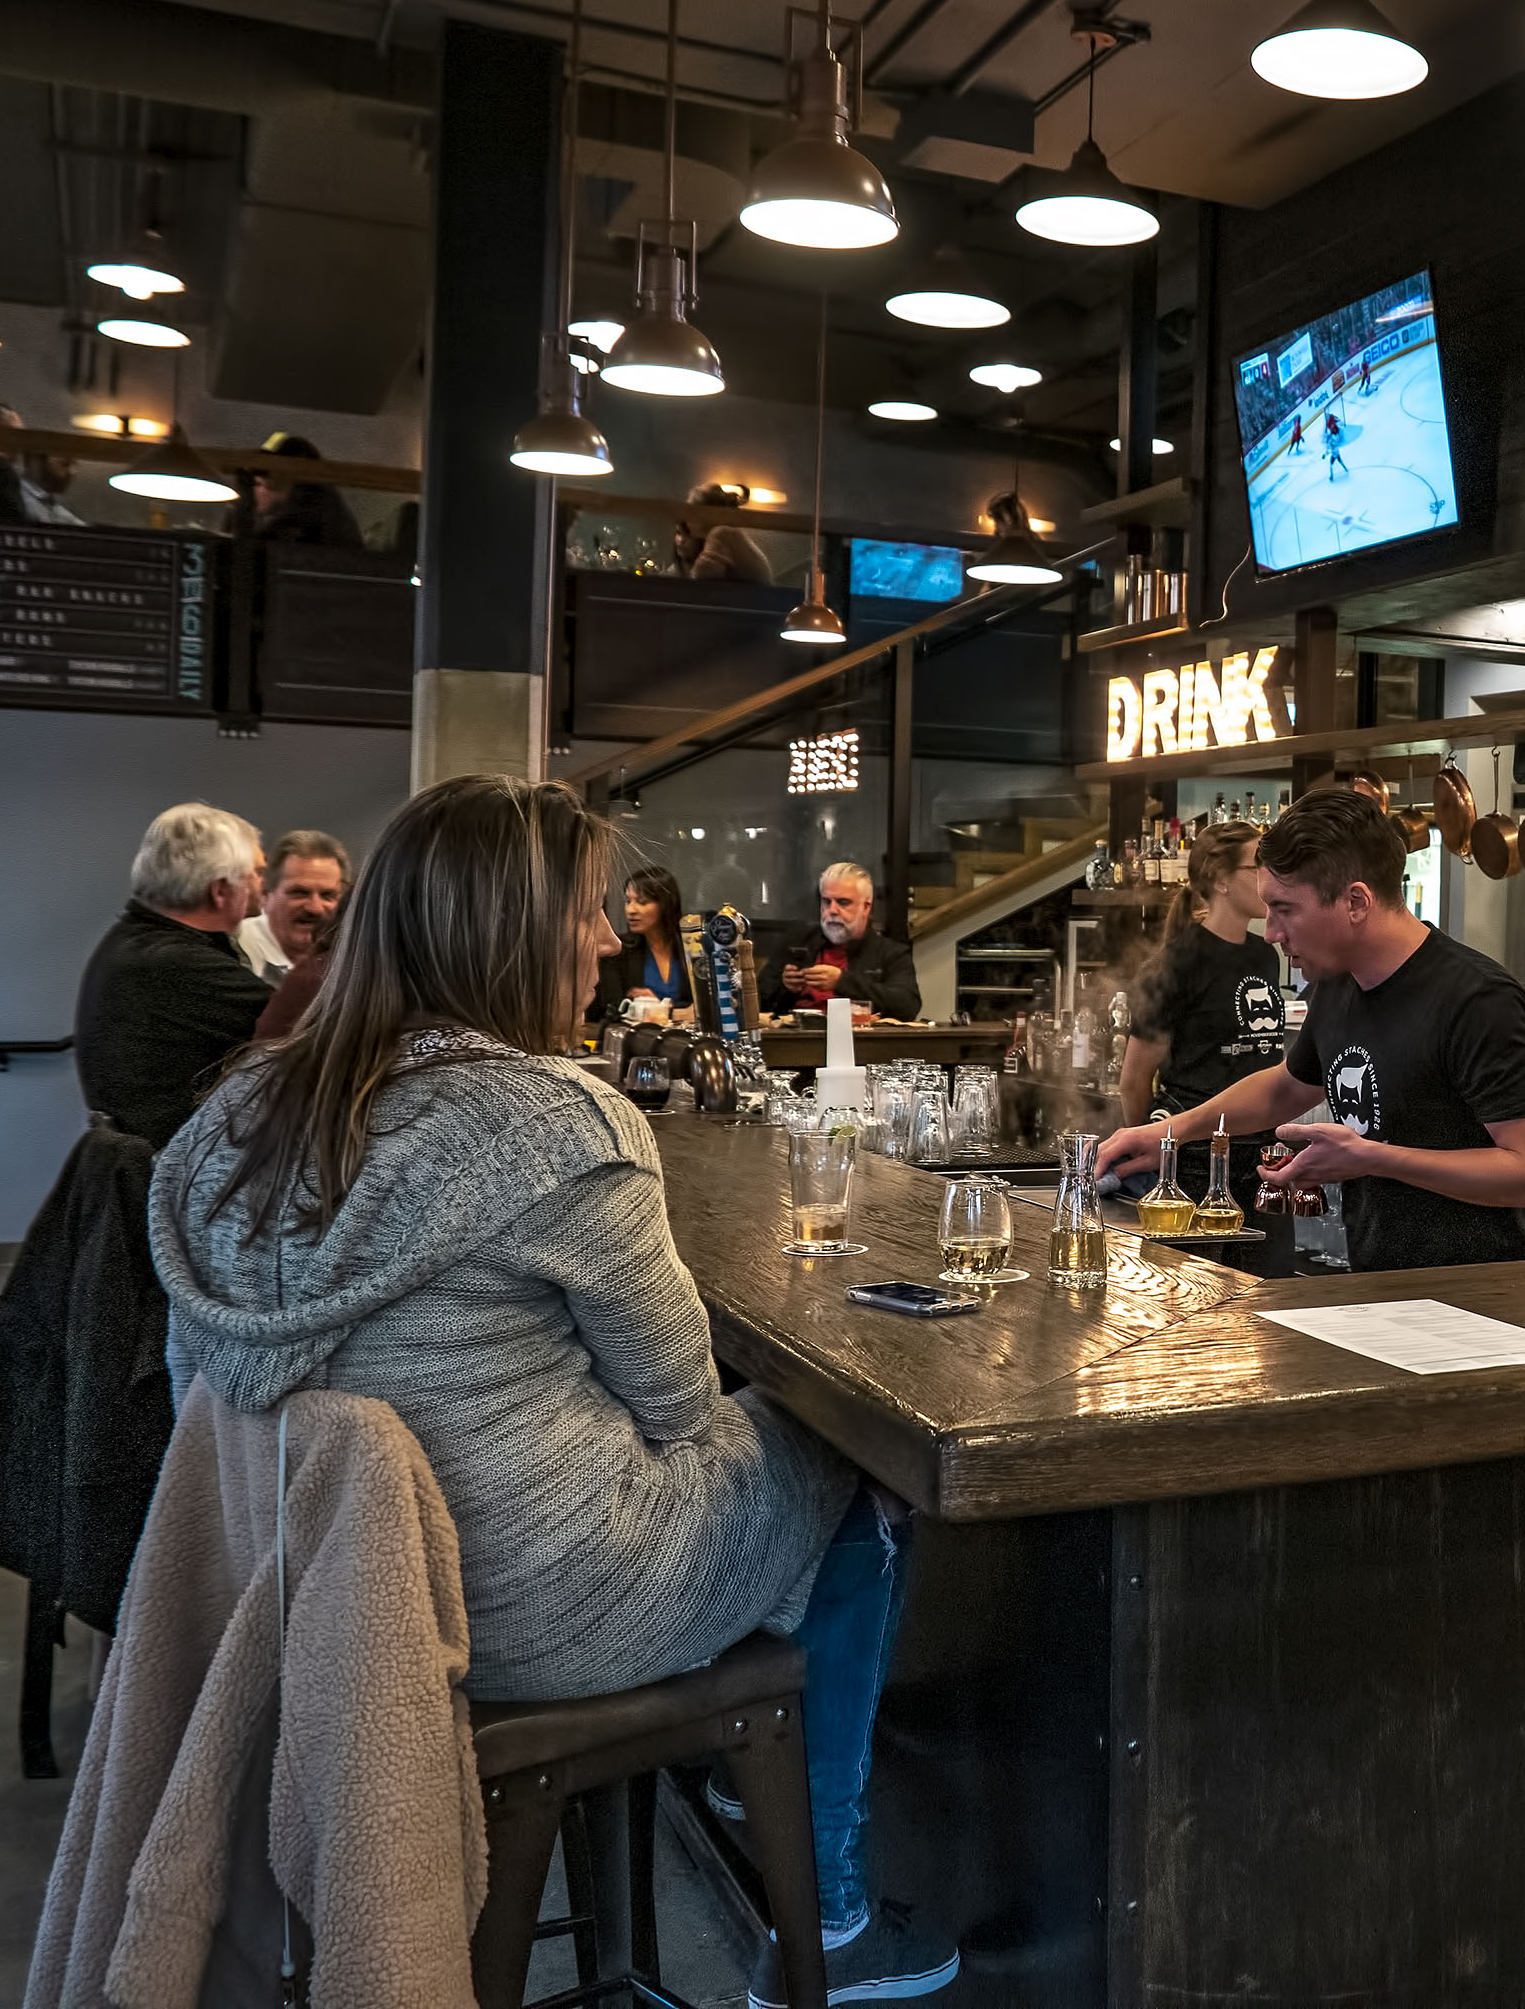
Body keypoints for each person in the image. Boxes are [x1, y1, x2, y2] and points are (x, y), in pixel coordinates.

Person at [146, 775, 955, 2008]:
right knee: (841, 1441)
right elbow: (681, 1407)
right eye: (584, 912)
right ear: (508, 931)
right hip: (528, 1604)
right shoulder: (557, 1122)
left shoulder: (239, 1111)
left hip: (303, 1582)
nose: (602, 938)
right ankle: (827, 1899)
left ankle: (757, 1771)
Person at [1097, 787, 1525, 1271]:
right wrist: (1170, 1132)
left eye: (1285, 910)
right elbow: (1285, 1087)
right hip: (1378, 1288)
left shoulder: (1475, 999)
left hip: (1482, 1302)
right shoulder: (1339, 985)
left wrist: (1371, 1159)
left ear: (1356, 902)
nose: (1273, 934)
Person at [75, 804, 276, 1150]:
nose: (263, 884)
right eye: (256, 873)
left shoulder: (135, 940)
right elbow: (316, 1029)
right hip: (172, 1183)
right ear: (221, 890)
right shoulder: (175, 963)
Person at [1116, 823, 1288, 1131]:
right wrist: (1154, 1153)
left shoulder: (1265, 955)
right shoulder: (1177, 962)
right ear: (1222, 880)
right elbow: (1133, 1082)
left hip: (1257, 1137)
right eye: (1258, 866)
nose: (1270, 878)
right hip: (1194, 1147)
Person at [760, 861, 921, 1021]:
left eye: (843, 902)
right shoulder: (796, 942)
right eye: (826, 901)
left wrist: (841, 982)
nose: (832, 911)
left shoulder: (891, 953)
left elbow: (907, 1005)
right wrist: (787, 988)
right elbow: (757, 1003)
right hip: (795, 1039)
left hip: (860, 1041)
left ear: (866, 907)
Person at [234, 829, 352, 985]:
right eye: (300, 893)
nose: (314, 908)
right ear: (265, 894)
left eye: (327, 895)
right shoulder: (231, 950)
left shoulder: (354, 957)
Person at [591, 864, 697, 1023]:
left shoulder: (689, 948)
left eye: (642, 901)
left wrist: (659, 1008)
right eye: (628, 901)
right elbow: (612, 1008)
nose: (631, 910)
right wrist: (673, 1011)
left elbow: (702, 1007)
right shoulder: (618, 950)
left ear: (665, 904)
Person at [249, 432, 365, 550]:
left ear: (283, 476)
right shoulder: (324, 505)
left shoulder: (310, 514)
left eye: (258, 483)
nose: (252, 492)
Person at [673, 484, 777, 583]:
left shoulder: (722, 533)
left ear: (706, 515)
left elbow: (702, 576)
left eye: (691, 512)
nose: (686, 518)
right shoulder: (727, 533)